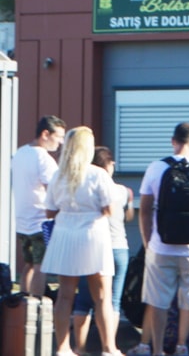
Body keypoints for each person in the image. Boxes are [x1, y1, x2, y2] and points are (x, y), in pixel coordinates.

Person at [138, 123, 189, 356]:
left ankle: (157, 351)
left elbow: (144, 210)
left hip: (161, 247)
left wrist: (148, 243)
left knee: (159, 303)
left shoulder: (156, 168)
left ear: (173, 141)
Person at [42, 127, 123, 356]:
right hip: (93, 234)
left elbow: (49, 211)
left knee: (65, 295)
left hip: (65, 234)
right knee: (102, 296)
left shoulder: (59, 175)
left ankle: (62, 347)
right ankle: (109, 348)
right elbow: (109, 208)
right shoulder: (98, 174)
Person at [70, 147, 133, 349]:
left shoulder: (83, 190)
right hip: (118, 247)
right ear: (109, 165)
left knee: (84, 302)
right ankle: (109, 347)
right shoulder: (124, 192)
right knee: (112, 301)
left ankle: (79, 348)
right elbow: (129, 216)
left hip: (89, 248)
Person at [11, 114, 66, 295]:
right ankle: (36, 303)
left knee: (28, 265)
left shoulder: (20, 153)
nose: (61, 142)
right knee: (40, 265)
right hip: (40, 220)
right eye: (58, 137)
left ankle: (23, 304)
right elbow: (55, 189)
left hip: (21, 220)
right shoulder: (44, 158)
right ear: (45, 134)